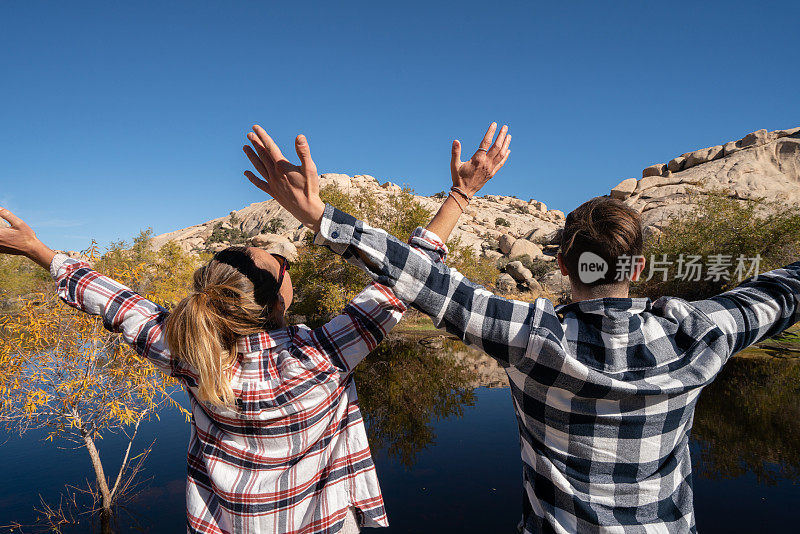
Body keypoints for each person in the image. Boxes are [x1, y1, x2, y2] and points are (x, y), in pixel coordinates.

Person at [242, 125, 800, 533]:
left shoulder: (531, 336)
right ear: (640, 269)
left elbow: (422, 282)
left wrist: (320, 215)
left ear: (562, 265)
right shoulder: (698, 330)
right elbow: (781, 294)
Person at [0, 123, 510, 534]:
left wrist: (38, 250)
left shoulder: (189, 351)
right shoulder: (325, 353)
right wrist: (461, 194)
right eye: (282, 267)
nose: (288, 269)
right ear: (277, 297)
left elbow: (115, 303)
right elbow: (410, 276)